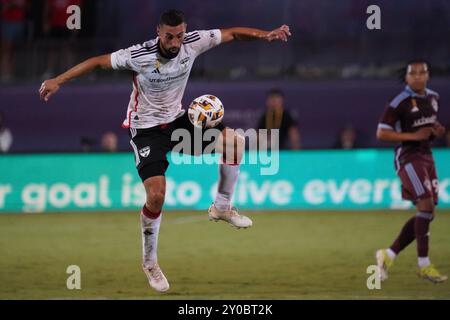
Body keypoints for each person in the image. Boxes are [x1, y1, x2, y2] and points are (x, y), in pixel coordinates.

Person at [39, 9, 291, 292]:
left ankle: (221, 208)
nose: (175, 42)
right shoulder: (139, 55)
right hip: (146, 130)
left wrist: (266, 34)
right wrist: (58, 80)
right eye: (169, 36)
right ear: (158, 32)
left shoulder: (193, 42)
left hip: (177, 122)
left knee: (235, 142)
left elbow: (231, 33)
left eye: (180, 35)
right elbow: (98, 62)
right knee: (157, 195)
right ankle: (149, 262)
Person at [375, 59, 447, 283]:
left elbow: (427, 128)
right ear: (406, 77)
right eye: (412, 73)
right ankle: (423, 265)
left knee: (427, 213)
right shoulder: (400, 102)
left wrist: (437, 132)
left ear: (428, 75)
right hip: (407, 156)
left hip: (427, 157)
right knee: (425, 206)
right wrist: (413, 137)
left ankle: (388, 254)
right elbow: (382, 133)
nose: (417, 76)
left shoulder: (433, 98)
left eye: (422, 72)